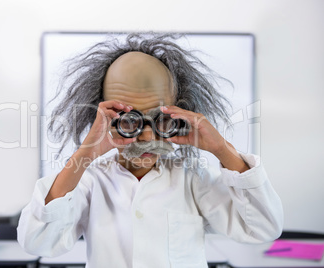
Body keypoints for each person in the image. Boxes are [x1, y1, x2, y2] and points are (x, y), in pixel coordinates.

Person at [17, 33, 283, 268]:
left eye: (160, 120)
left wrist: (222, 149)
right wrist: (86, 152)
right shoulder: (90, 181)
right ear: (105, 118)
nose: (146, 135)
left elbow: (262, 228)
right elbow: (36, 240)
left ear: (177, 115)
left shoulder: (192, 179)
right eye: (129, 120)